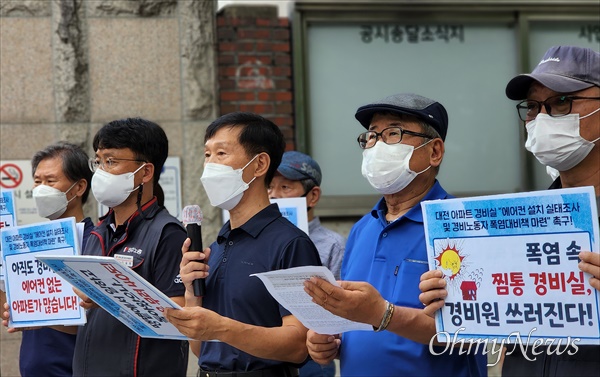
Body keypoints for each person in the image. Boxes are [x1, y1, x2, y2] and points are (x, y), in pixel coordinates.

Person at [419, 45, 600, 376]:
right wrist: (452, 300)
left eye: (561, 101)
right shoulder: (526, 221)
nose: (542, 118)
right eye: (533, 107)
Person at [303, 94, 486, 376]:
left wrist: (383, 314)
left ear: (434, 151)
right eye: (371, 137)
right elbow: (360, 323)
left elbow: (473, 333)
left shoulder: (461, 226)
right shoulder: (363, 228)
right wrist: (332, 343)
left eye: (393, 133)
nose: (376, 146)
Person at [164, 112, 322, 377]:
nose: (210, 166)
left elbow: (297, 346)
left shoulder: (291, 244)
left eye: (221, 154)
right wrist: (192, 295)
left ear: (259, 164)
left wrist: (221, 328)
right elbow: (200, 349)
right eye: (207, 155)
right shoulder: (215, 246)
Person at [73, 118, 189, 376]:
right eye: (99, 161)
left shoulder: (168, 233)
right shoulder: (98, 232)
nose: (101, 171)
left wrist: (108, 294)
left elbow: (180, 314)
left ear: (146, 172)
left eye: (111, 161)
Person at [15, 142, 94, 377]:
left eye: (50, 181)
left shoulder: (97, 242)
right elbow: (11, 309)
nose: (41, 189)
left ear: (79, 187)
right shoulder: (28, 244)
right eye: (37, 181)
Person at [268, 151, 346, 377]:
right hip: (266, 349)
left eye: (285, 188)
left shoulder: (333, 244)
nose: (275, 196)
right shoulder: (260, 240)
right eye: (270, 187)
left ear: (312, 196)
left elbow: (341, 308)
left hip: (313, 357)